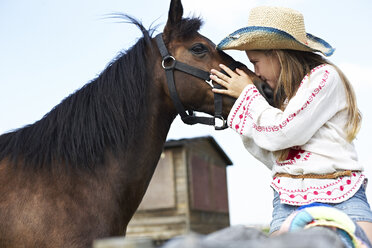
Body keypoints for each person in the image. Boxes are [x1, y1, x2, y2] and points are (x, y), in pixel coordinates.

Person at [210, 5, 372, 245]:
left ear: (276, 54)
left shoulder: (325, 77)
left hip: (341, 196)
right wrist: (242, 108)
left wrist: (247, 95)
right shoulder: (282, 100)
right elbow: (273, 153)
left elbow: (282, 133)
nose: (256, 72)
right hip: (287, 199)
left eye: (256, 62)